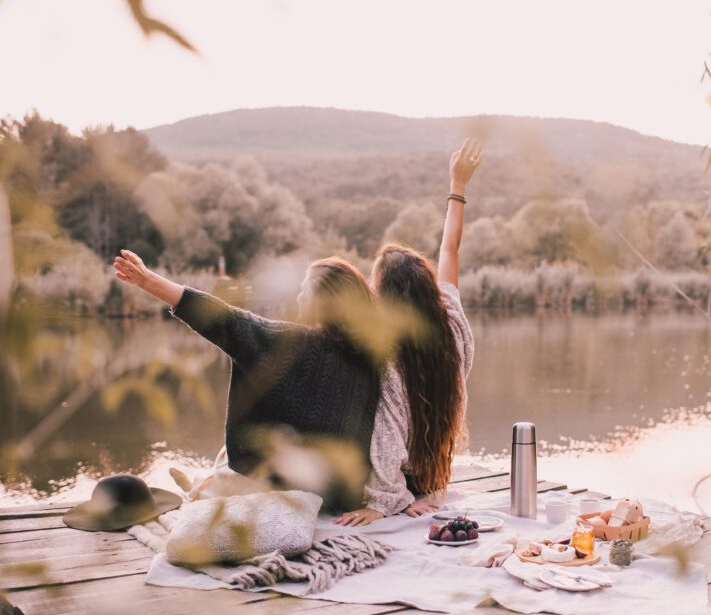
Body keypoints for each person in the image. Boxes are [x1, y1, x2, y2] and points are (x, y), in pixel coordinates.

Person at [113, 253, 382, 514]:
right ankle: (201, 483)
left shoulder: (287, 343)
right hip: (338, 496)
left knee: (228, 464)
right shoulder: (371, 357)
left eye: (304, 291)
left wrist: (146, 280)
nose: (299, 297)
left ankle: (197, 488)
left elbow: (223, 319)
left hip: (281, 489)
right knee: (231, 454)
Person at [334, 138, 481, 526]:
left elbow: (387, 434)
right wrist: (458, 186)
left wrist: (388, 500)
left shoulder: (390, 354)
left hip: (402, 483)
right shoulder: (451, 321)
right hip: (436, 476)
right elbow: (450, 249)